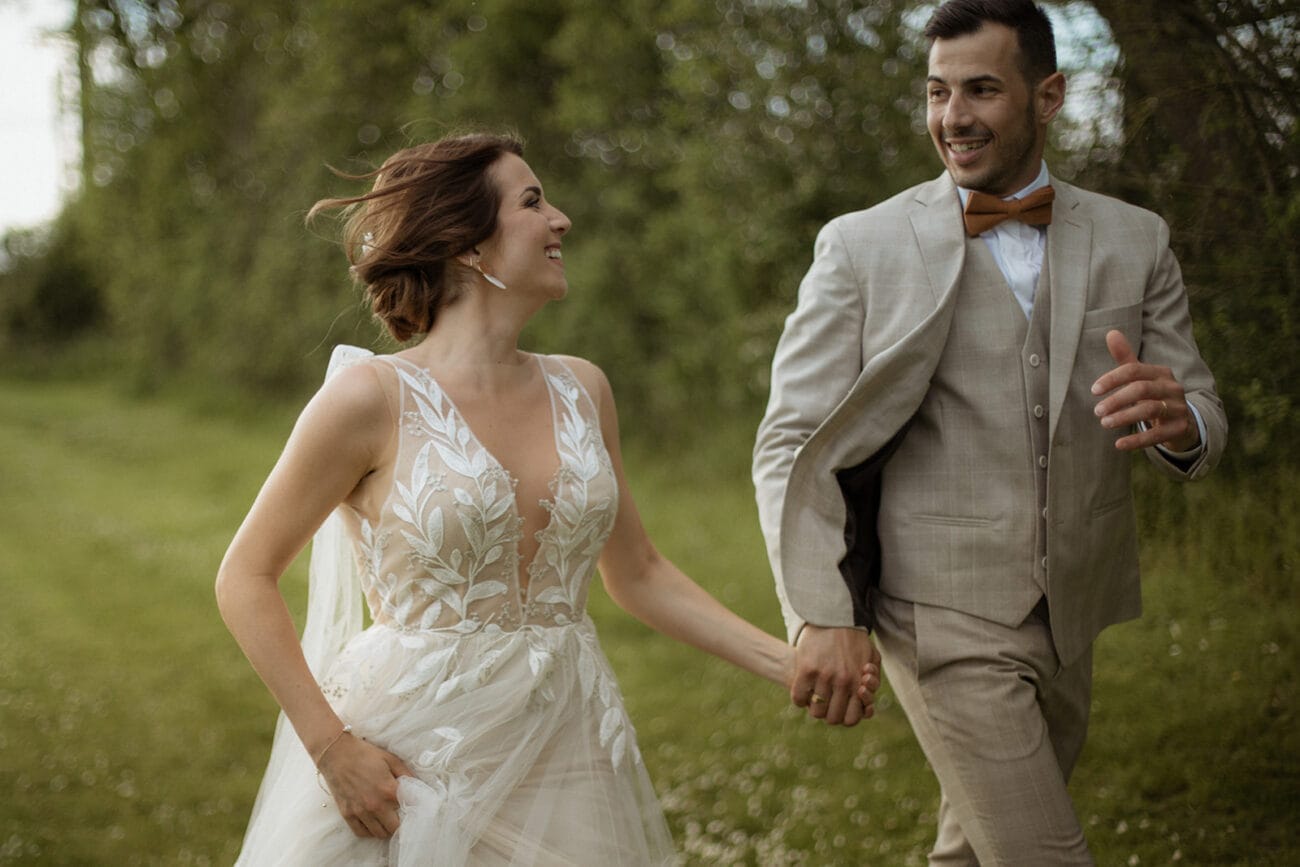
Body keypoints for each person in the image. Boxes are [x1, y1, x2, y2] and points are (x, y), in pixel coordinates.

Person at [217, 132, 880, 865]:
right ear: (467, 245)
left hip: (567, 746)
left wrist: (789, 663)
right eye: (533, 202)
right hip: (409, 757)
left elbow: (640, 573)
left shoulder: (583, 387)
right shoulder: (369, 398)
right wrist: (333, 750)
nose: (560, 219)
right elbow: (244, 576)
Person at [753, 0, 1226, 863]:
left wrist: (1181, 420)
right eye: (937, 92)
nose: (952, 117)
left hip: (1074, 605)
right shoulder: (862, 247)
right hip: (939, 612)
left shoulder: (1137, 238)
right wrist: (816, 610)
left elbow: (1201, 408)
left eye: (980, 90)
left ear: (1048, 97)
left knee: (974, 850)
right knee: (1045, 851)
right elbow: (790, 441)